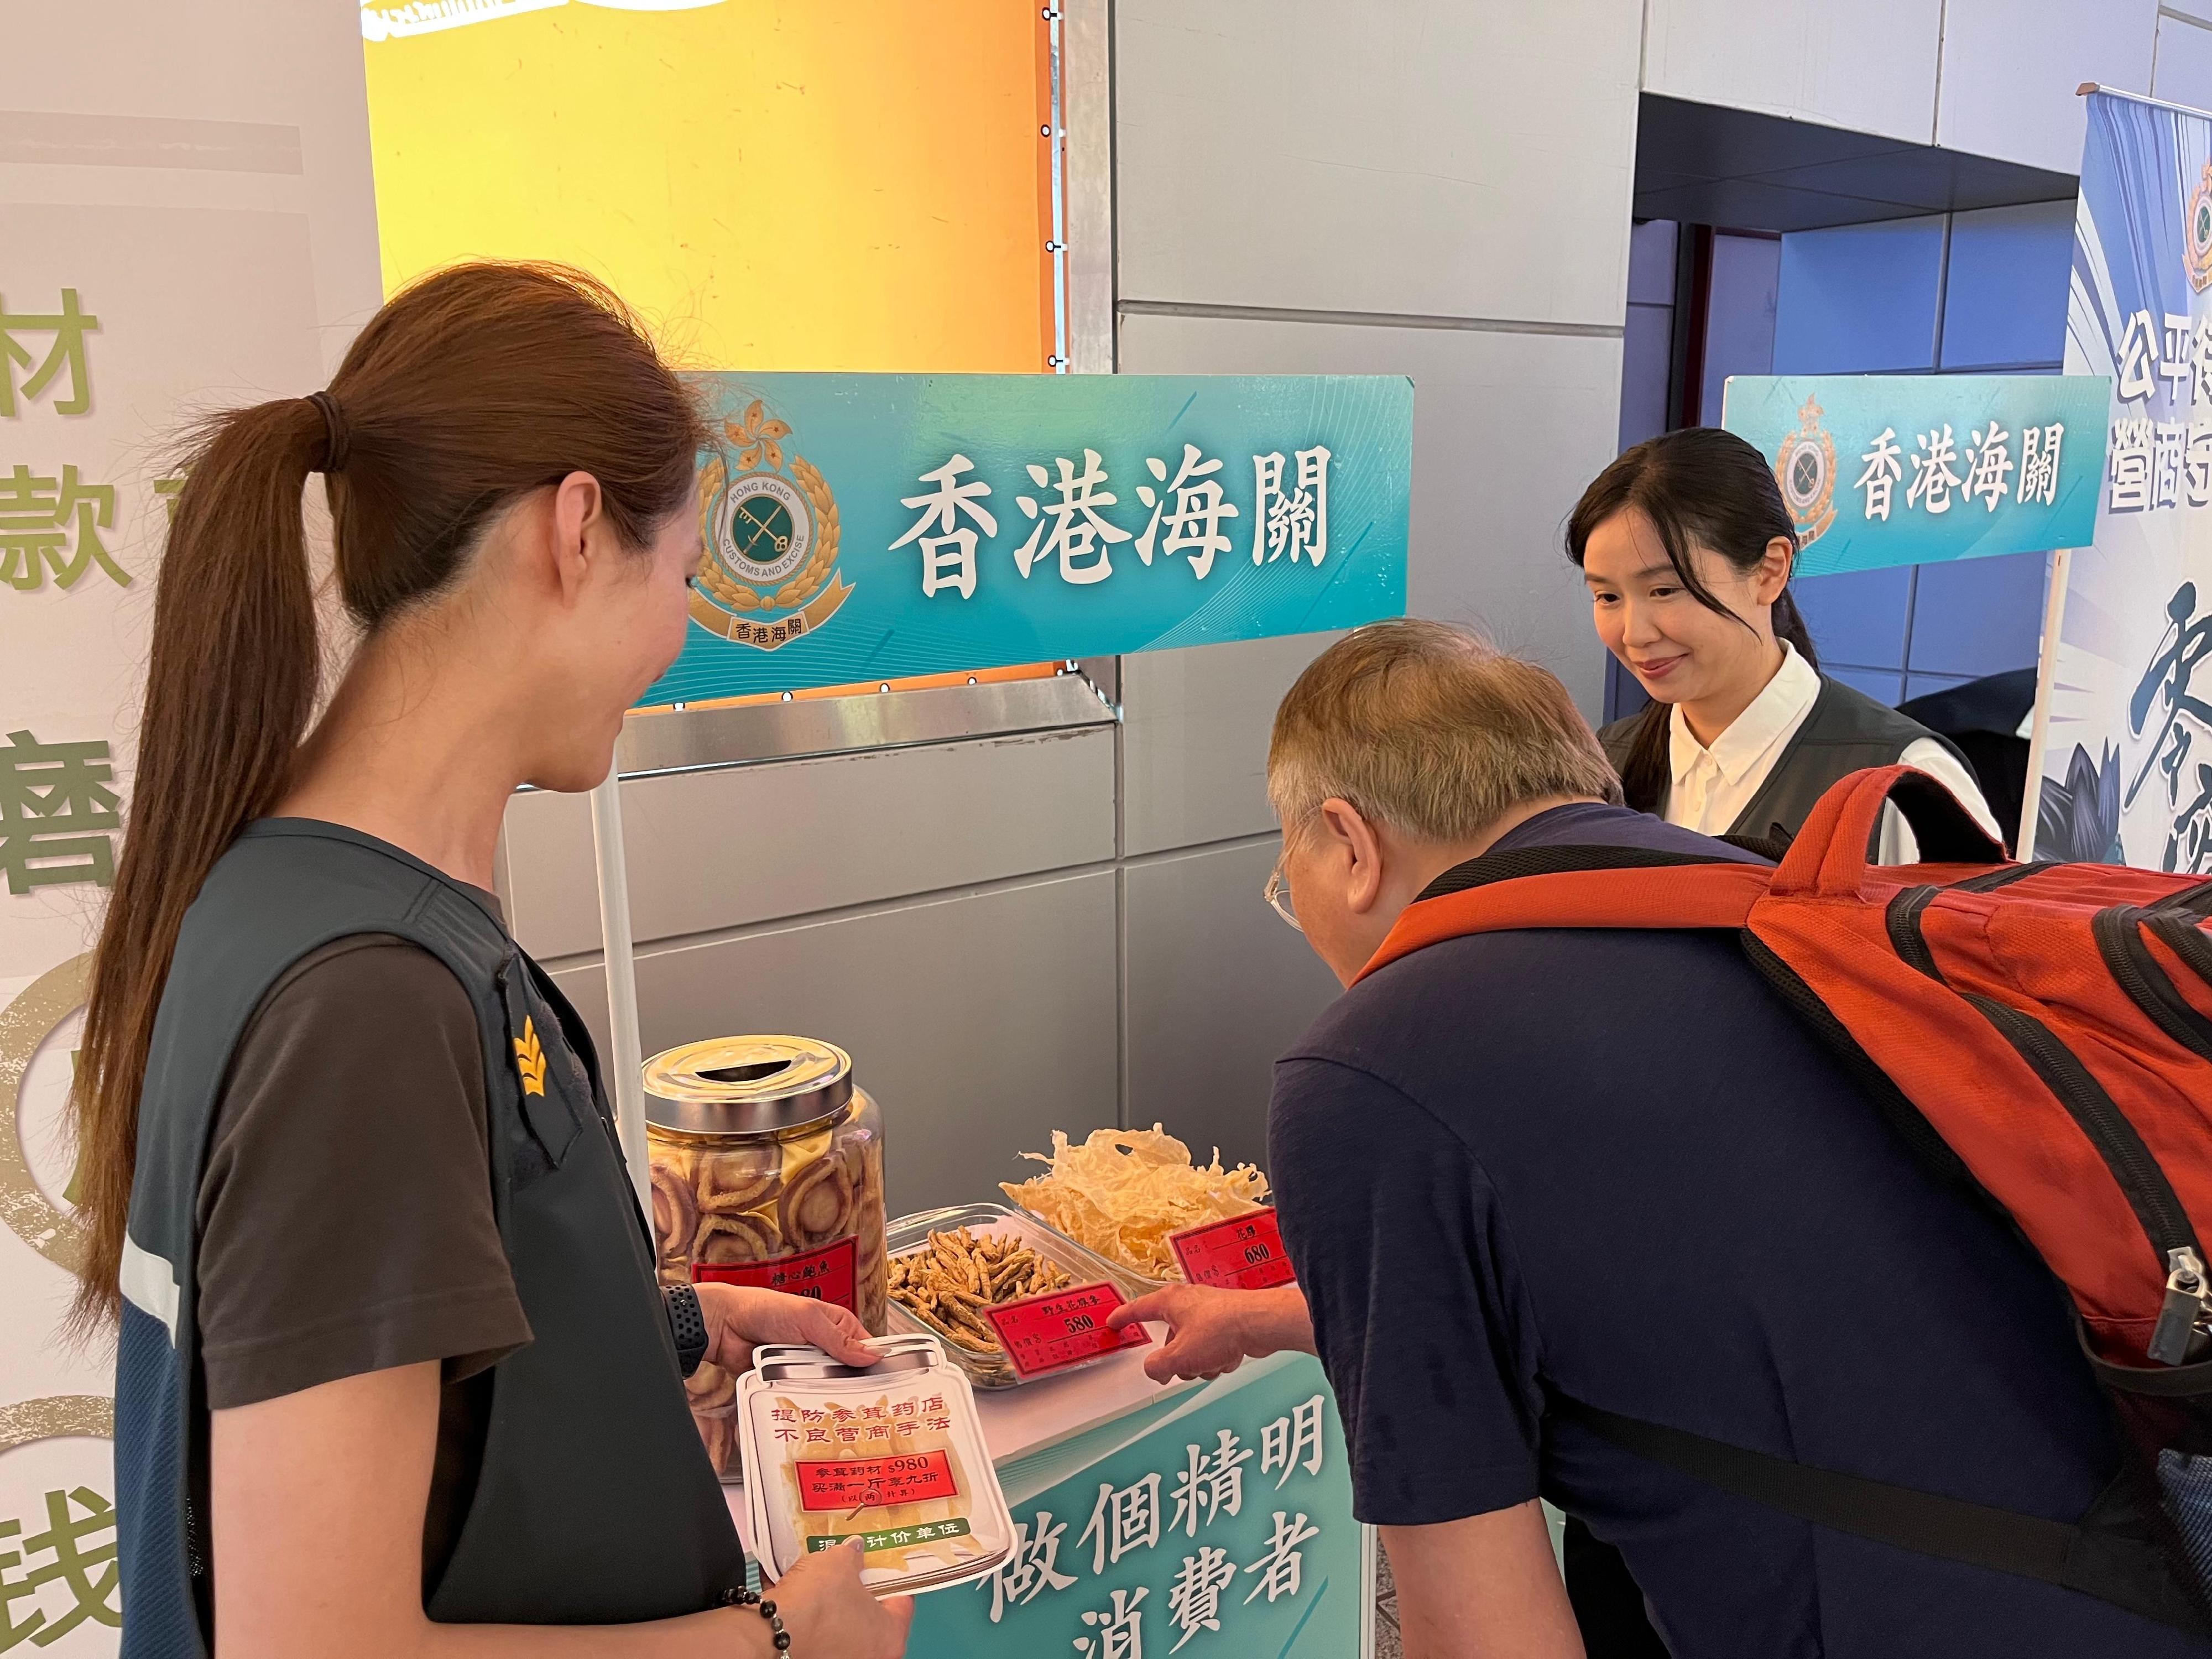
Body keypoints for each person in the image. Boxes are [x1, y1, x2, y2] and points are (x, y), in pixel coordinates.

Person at [72, 263, 913, 1659]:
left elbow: (412, 1350)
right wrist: (775, 1641)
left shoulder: (300, 895)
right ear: (576, 529)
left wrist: (687, 1319)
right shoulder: (362, 1000)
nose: (680, 631)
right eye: (683, 573)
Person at [1118, 619, 2208, 1659]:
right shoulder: (1765, 919)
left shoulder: (1371, 1068)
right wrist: (1286, 1315)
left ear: (1350, 844)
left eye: (1286, 875)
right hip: (2134, 1572)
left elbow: (1481, 1625)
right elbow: (1667, 1273)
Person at [1572, 426, 1998, 862]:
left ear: (1770, 571)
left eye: (1664, 591)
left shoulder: (1904, 782)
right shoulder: (1601, 765)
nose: (1634, 633)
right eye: (1608, 597)